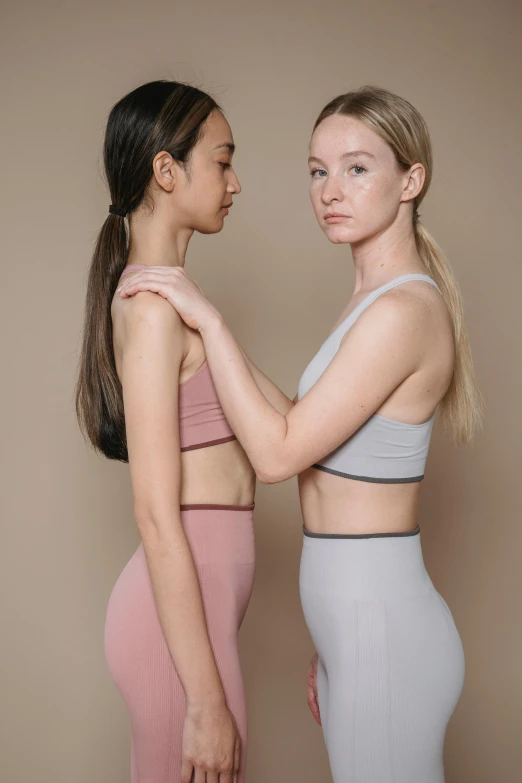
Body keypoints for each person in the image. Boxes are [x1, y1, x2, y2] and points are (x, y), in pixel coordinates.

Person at [117, 85, 484, 783]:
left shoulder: (403, 310)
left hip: (380, 624)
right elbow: (296, 420)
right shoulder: (371, 303)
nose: (330, 190)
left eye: (356, 168)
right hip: (358, 623)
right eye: (317, 170)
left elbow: (279, 451)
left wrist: (211, 323)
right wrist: (336, 640)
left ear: (411, 180)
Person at [76, 80, 290, 783]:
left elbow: (284, 428)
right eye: (223, 161)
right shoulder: (150, 308)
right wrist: (204, 698)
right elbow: (154, 515)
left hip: (201, 608)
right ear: (167, 171)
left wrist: (213, 318)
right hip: (175, 623)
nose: (235, 182)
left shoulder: (179, 303)